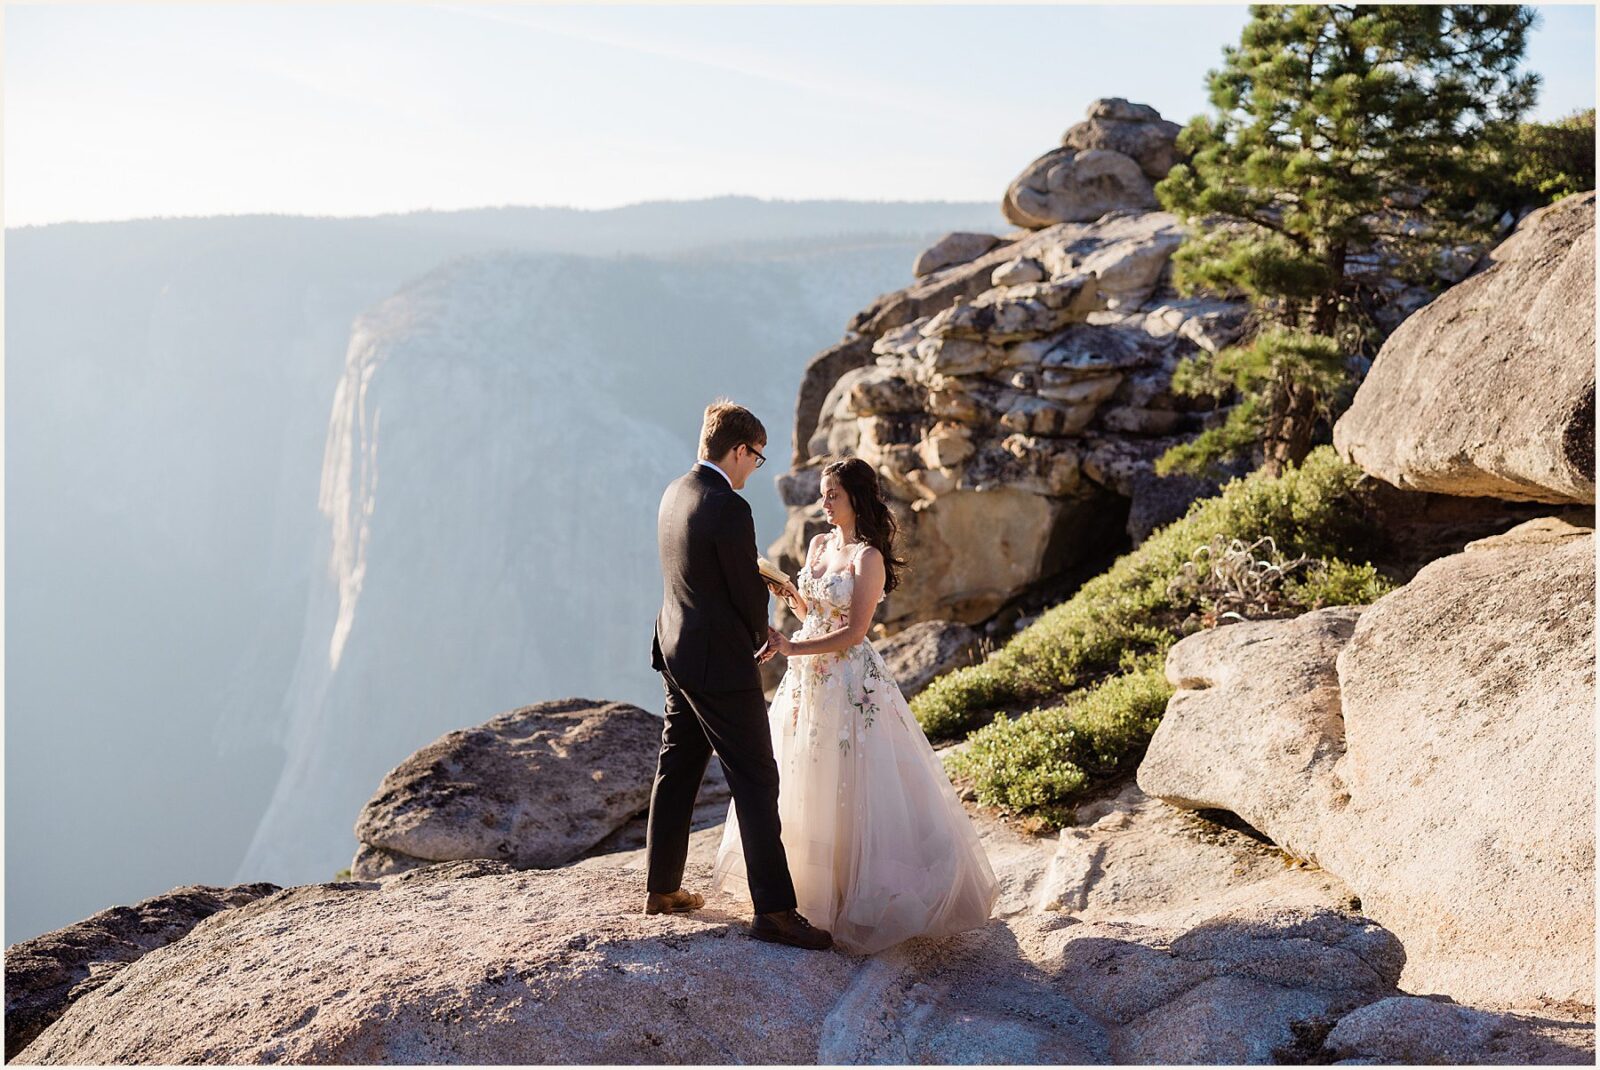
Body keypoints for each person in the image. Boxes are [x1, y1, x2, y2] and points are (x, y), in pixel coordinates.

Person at [710, 456, 999, 954]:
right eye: (822, 494)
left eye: (831, 495)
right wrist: (786, 593)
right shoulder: (820, 544)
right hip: (807, 679)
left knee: (851, 776)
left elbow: (854, 632)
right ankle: (806, 890)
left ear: (855, 499)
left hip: (848, 682)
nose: (822, 503)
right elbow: (815, 610)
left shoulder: (869, 559)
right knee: (804, 773)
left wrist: (792, 647)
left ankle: (852, 895)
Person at [644, 399, 834, 951]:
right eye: (757, 455)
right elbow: (741, 592)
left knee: (677, 766)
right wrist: (766, 627)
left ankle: (662, 888)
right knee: (756, 777)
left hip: (675, 649)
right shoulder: (729, 507)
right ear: (737, 449)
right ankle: (774, 910)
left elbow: (698, 571)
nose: (757, 466)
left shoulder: (674, 492)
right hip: (719, 663)